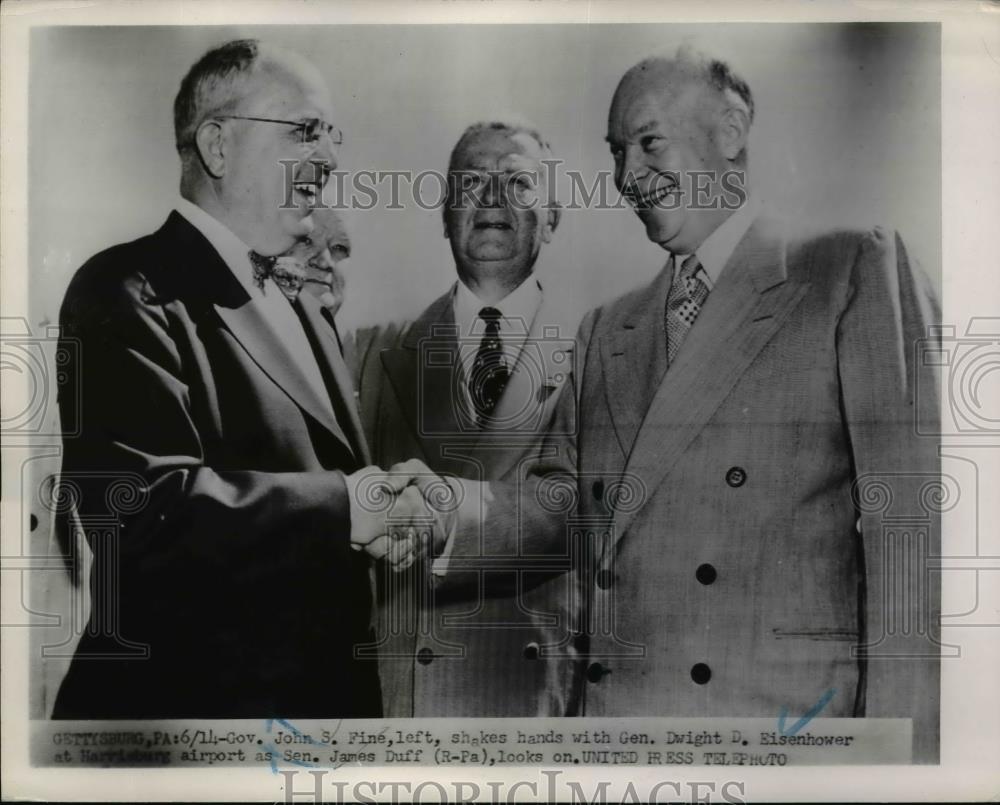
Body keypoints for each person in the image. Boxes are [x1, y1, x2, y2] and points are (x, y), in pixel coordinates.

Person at [443, 48, 942, 761]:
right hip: (620, 745)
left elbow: (914, 544)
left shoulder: (849, 269)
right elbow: (554, 512)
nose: (626, 176)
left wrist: (904, 763)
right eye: (618, 153)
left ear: (731, 129)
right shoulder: (607, 329)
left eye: (648, 143)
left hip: (784, 747)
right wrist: (423, 513)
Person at [52, 38, 429, 719]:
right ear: (218, 146)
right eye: (304, 130)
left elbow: (318, 489)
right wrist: (351, 505)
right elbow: (141, 510)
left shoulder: (305, 309)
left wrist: (381, 513)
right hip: (183, 731)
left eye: (331, 136)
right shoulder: (125, 288)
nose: (330, 158)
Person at [347, 120, 583, 716]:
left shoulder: (600, 354)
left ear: (554, 219)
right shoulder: (369, 350)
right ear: (445, 215)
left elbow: (590, 518)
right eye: (471, 182)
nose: (492, 199)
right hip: (397, 704)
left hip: (533, 707)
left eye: (519, 184)